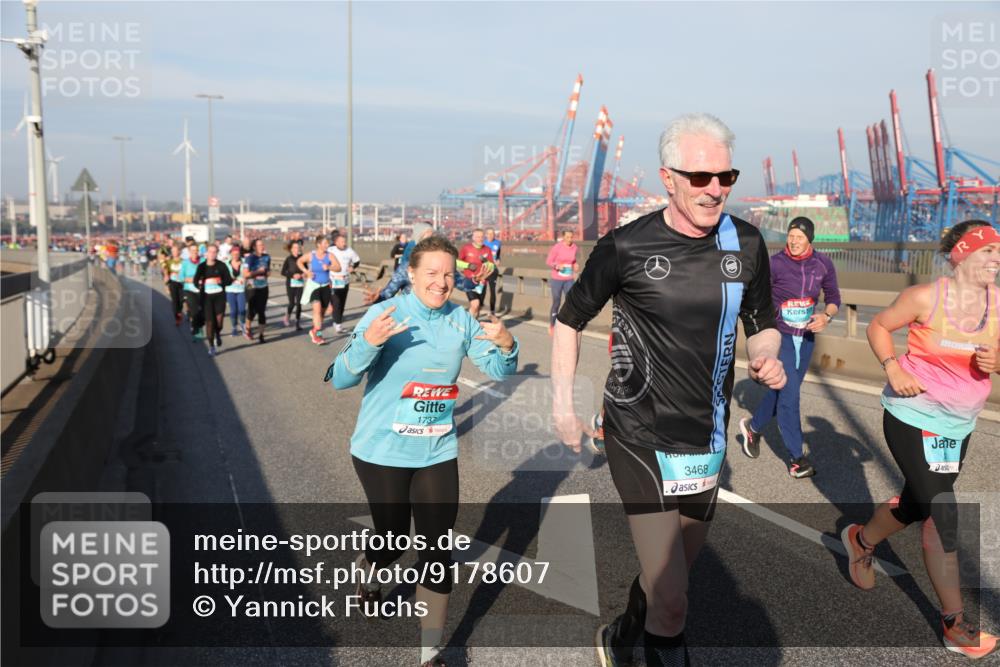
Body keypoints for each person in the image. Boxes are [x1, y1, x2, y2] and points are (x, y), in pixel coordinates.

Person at [551, 113, 784, 667]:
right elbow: (568, 319)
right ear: (668, 178)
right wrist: (564, 405)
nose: (715, 189)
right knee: (675, 600)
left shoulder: (746, 243)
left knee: (670, 575)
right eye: (700, 177)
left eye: (725, 177)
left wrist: (767, 354)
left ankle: (619, 638)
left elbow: (763, 319)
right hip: (639, 431)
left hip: (707, 436)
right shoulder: (626, 246)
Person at [329, 235, 519, 667]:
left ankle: (430, 652)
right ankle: (370, 569)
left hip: (436, 450)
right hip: (381, 450)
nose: (441, 281)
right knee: (392, 539)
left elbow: (498, 369)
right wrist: (368, 342)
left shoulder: (460, 318)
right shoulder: (384, 314)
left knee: (437, 551)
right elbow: (341, 379)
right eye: (431, 273)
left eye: (449, 273)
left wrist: (506, 346)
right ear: (411, 273)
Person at [840, 220, 999, 660]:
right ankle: (955, 626)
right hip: (911, 415)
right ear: (962, 254)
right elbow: (878, 327)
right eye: (987, 252)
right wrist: (893, 367)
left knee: (917, 505)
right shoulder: (925, 297)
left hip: (958, 426)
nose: (996, 260)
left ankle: (860, 541)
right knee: (942, 512)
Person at [738, 216, 841, 478]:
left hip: (805, 340)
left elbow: (833, 297)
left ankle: (753, 427)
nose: (794, 241)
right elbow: (758, 294)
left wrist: (826, 316)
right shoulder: (775, 263)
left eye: (799, 237)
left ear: (810, 239)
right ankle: (797, 459)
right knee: (790, 396)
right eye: (791, 235)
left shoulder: (823, 264)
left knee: (783, 391)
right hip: (780, 335)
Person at [365, 223, 435, 304]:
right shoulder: (406, 269)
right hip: (411, 311)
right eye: (428, 238)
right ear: (418, 237)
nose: (432, 241)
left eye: (433, 237)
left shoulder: (438, 263)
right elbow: (389, 291)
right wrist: (378, 298)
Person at [297, 235, 340, 345]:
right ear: (318, 244)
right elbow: (299, 261)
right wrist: (307, 272)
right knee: (317, 310)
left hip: (325, 287)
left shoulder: (330, 256)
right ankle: (317, 335)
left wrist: (329, 267)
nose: (327, 245)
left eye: (327, 243)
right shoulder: (312, 256)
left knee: (322, 312)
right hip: (314, 286)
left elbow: (338, 267)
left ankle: (315, 331)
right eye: (325, 243)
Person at [194, 244, 233, 356]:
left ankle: (217, 333)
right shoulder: (201, 266)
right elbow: (195, 281)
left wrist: (220, 282)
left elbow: (229, 280)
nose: (212, 254)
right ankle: (211, 346)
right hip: (206, 298)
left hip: (219, 296)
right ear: (206, 253)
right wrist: (199, 284)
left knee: (219, 322)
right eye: (210, 252)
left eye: (214, 252)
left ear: (217, 253)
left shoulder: (221, 265)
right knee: (210, 322)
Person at [545, 230, 579, 334]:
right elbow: (549, 261)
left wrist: (575, 265)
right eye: (568, 237)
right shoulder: (557, 247)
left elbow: (573, 260)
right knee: (556, 302)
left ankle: (569, 323)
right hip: (557, 279)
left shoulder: (575, 247)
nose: (570, 239)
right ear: (563, 237)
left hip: (569, 278)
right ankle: (552, 325)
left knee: (571, 300)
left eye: (571, 237)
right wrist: (557, 266)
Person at [458, 229, 496, 319]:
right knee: (475, 303)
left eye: (482, 237)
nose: (480, 239)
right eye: (478, 237)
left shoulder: (487, 250)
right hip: (470, 280)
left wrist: (486, 262)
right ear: (473, 238)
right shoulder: (466, 248)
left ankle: (475, 324)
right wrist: (468, 265)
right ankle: (469, 325)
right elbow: (456, 262)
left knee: (479, 307)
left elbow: (493, 267)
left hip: (482, 282)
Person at [329, 233, 361, 334]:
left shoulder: (350, 251)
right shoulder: (331, 250)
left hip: (345, 280)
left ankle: (337, 320)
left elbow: (357, 261)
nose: (344, 243)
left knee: (342, 303)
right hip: (333, 280)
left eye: (344, 241)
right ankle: (338, 323)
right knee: (336, 302)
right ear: (336, 242)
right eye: (342, 242)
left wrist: (353, 267)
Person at [244, 239, 271, 343]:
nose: (262, 247)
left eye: (262, 245)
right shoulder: (250, 258)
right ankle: (248, 329)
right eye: (259, 245)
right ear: (254, 247)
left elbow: (268, 271)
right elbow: (245, 274)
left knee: (261, 311)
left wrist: (267, 273)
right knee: (252, 311)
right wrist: (257, 272)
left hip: (263, 287)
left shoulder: (267, 257)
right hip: (252, 287)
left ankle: (261, 335)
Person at [178, 243, 204, 341]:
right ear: (189, 252)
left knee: (202, 311)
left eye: (196, 250)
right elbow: (180, 277)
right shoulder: (185, 263)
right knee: (194, 311)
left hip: (201, 290)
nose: (194, 252)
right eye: (192, 251)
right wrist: (189, 279)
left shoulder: (203, 261)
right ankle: (196, 330)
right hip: (189, 290)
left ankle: (198, 326)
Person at [281, 240, 305, 329]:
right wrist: (293, 275)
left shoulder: (302, 258)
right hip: (290, 283)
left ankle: (297, 322)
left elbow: (306, 270)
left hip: (300, 283)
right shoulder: (288, 259)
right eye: (294, 247)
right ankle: (287, 317)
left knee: (299, 304)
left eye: (297, 247)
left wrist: (303, 274)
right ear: (291, 249)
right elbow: (283, 272)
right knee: (292, 303)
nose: (296, 249)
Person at [225, 246, 247, 337]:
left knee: (242, 309)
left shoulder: (244, 262)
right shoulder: (226, 263)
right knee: (233, 310)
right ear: (231, 254)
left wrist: (244, 278)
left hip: (241, 289)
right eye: (233, 254)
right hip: (230, 289)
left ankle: (242, 325)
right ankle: (234, 327)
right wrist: (230, 279)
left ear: (239, 254)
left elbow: (247, 273)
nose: (235, 255)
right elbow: (224, 275)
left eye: (237, 254)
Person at [163, 244, 185, 326]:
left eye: (176, 251)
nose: (174, 253)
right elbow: (166, 274)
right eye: (173, 251)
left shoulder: (184, 261)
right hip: (173, 283)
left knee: (182, 300)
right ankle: (177, 317)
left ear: (179, 251)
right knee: (174, 301)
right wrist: (166, 285)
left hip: (182, 283)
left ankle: (180, 311)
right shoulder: (169, 261)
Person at [482, 227, 502, 316]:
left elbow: (498, 255)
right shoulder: (483, 244)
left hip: (493, 270)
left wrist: (498, 260)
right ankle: (479, 307)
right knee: (482, 290)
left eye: (493, 234)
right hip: (483, 270)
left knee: (492, 291)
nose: (491, 236)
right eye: (489, 234)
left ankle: (492, 311)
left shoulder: (498, 243)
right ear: (486, 235)